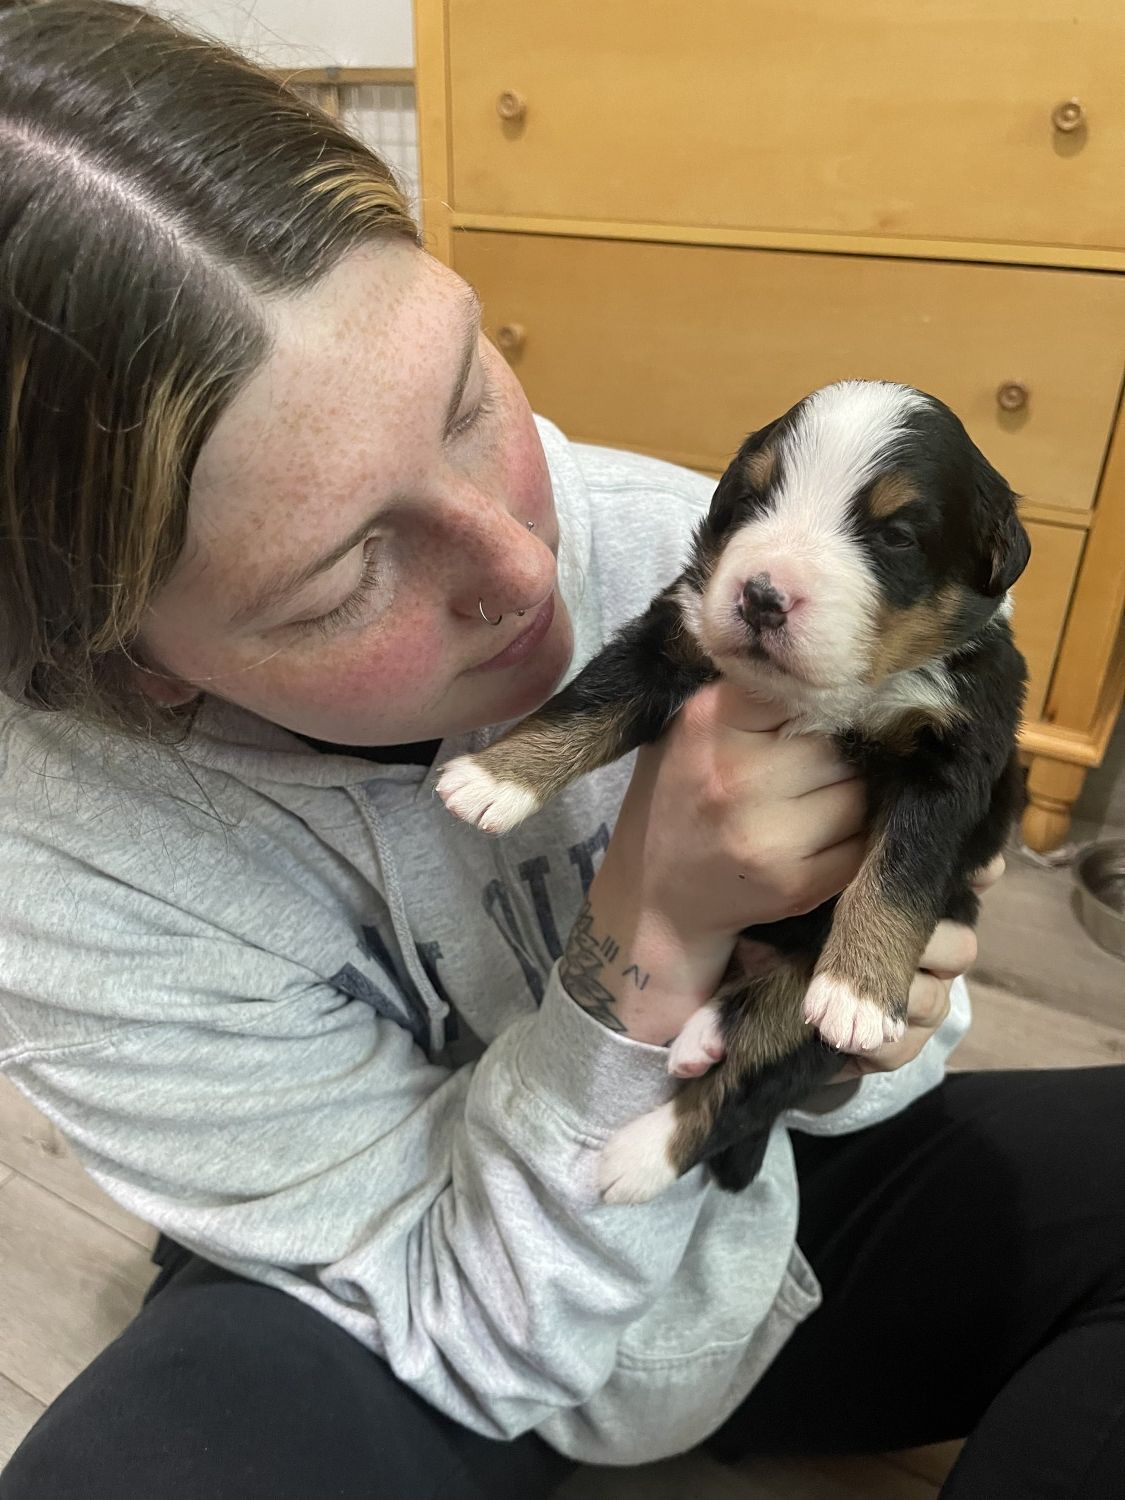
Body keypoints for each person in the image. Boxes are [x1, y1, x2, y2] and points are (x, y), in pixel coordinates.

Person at [1, 4, 1122, 1497]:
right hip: (433, 1276)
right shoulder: (57, 861)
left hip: (762, 1171)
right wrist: (650, 937)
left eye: (471, 391)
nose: (525, 564)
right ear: (119, 665)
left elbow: (903, 1027)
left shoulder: (693, 539)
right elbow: (472, 1323)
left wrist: (860, 1021)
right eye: (341, 578)